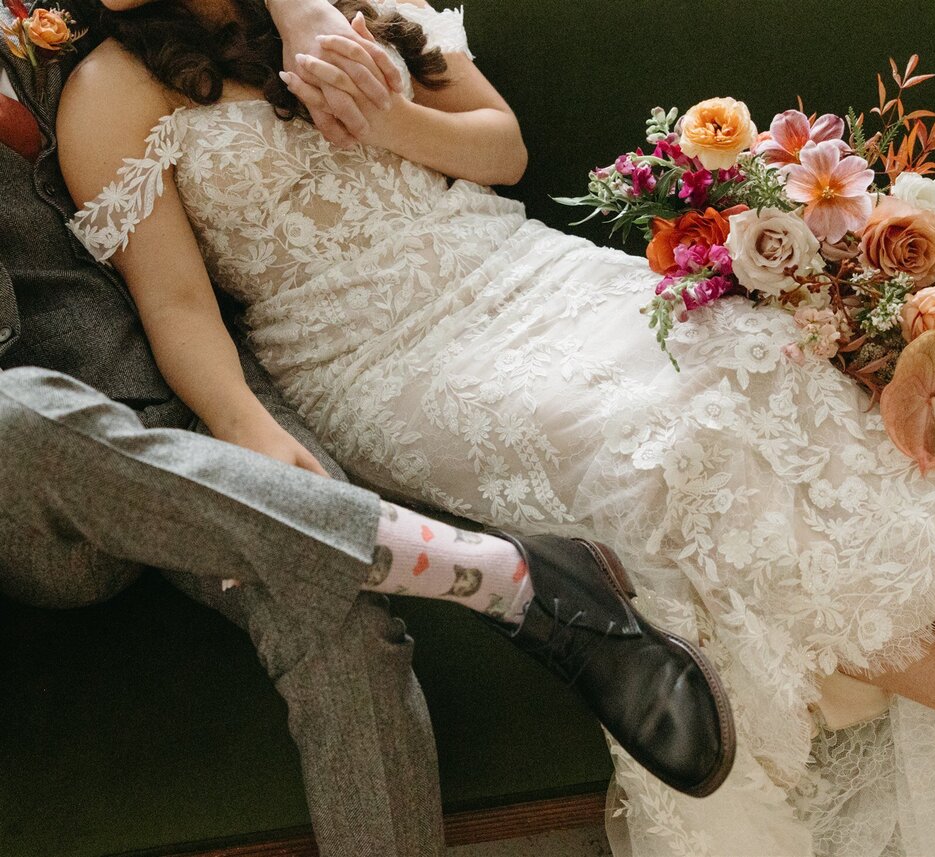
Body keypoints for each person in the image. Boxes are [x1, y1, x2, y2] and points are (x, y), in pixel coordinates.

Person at [49, 0, 935, 854]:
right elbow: (178, 306)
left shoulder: (337, 1)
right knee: (669, 447)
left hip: (517, 265)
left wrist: (389, 115)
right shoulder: (112, 88)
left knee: (753, 353)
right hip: (375, 352)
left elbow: (497, 149)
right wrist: (252, 431)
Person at [0, 2, 735, 855]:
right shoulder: (112, 86)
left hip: (179, 397)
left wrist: (246, 424)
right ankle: (490, 575)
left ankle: (416, 560)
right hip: (28, 476)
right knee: (15, 414)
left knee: (331, 602)